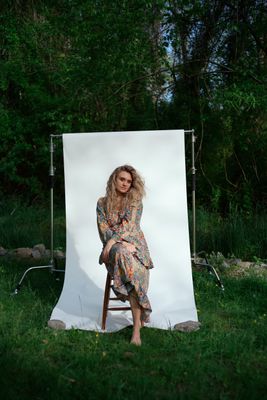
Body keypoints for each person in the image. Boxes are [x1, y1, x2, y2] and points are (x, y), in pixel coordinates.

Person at [96, 165, 153, 345]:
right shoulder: (101, 203)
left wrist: (113, 242)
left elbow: (130, 227)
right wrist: (117, 243)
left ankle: (136, 328)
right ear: (114, 179)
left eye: (129, 181)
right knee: (122, 253)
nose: (125, 183)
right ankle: (138, 324)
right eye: (122, 179)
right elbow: (103, 230)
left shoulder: (135, 202)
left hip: (136, 247)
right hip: (115, 251)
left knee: (130, 265)